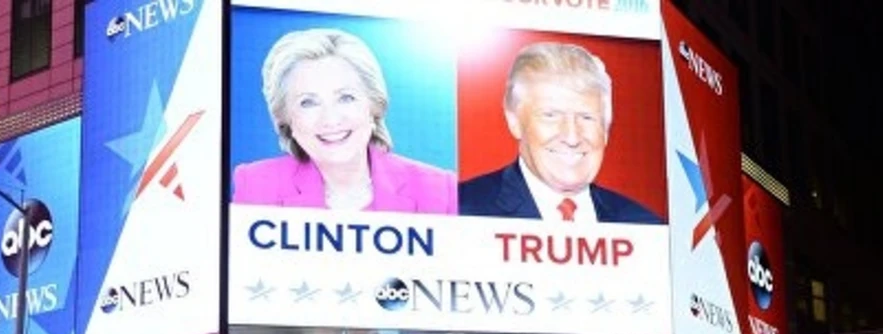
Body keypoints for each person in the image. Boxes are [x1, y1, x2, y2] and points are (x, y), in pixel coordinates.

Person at [233, 28, 457, 213]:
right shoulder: (256, 185)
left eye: (345, 98)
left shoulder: (439, 189)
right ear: (286, 119)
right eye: (308, 102)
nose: (330, 119)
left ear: (373, 106)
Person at [458, 42, 660, 224]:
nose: (572, 137)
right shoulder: (458, 210)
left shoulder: (645, 224)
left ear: (606, 129)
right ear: (514, 120)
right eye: (551, 115)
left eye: (586, 117)